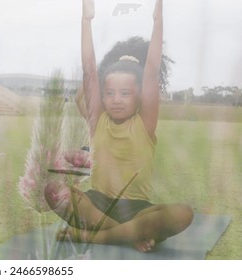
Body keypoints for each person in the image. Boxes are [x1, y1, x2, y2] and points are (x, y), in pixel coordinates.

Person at [45, 0, 193, 252]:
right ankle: (128, 236)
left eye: (125, 93)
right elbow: (90, 70)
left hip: (136, 209)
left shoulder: (145, 124)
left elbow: (151, 71)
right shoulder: (98, 120)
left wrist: (158, 21)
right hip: (96, 204)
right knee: (53, 191)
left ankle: (95, 236)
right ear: (101, 97)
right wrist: (86, 20)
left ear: (139, 98)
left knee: (183, 213)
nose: (116, 99)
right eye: (110, 93)